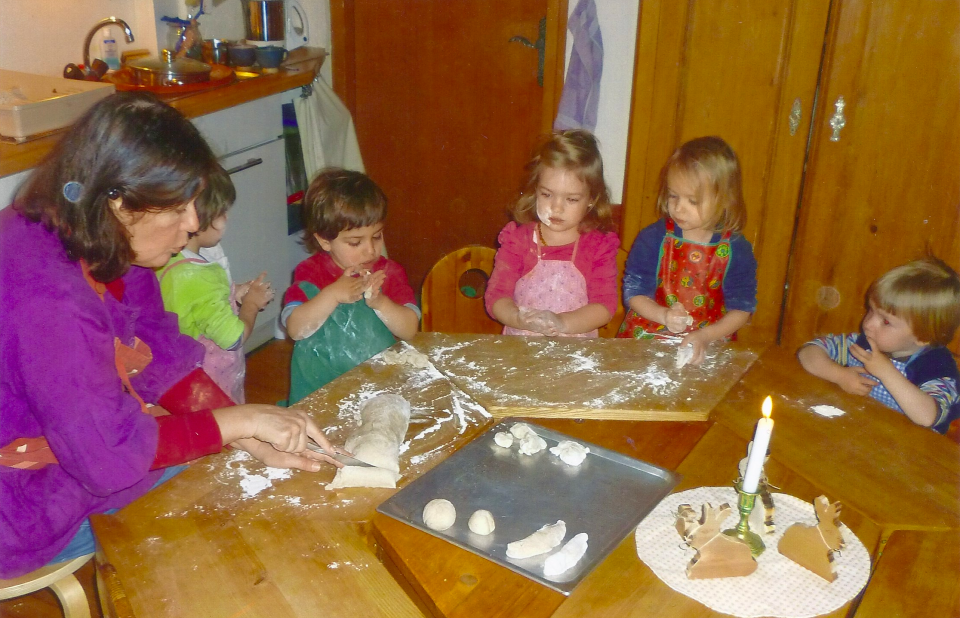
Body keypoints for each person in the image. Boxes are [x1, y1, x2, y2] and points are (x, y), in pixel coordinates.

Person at [0, 93, 342, 579]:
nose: (195, 224)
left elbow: (159, 350)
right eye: (179, 208)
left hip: (78, 438)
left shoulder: (99, 231)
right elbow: (108, 460)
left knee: (224, 459)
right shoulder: (49, 301)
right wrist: (237, 425)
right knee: (208, 506)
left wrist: (243, 433)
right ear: (118, 200)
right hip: (19, 503)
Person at [282, 169, 419, 405]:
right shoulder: (310, 273)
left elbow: (410, 329)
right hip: (318, 392)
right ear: (325, 240)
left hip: (375, 388)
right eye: (356, 242)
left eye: (376, 236)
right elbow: (296, 329)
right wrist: (333, 294)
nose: (370, 250)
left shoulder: (389, 273)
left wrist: (380, 303)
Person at [617, 136, 757, 365]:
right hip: (649, 334)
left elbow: (742, 308)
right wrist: (664, 315)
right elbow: (634, 292)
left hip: (709, 340)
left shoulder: (737, 249)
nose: (678, 208)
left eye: (693, 201)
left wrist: (705, 336)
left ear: (724, 200)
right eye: (674, 196)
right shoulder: (653, 238)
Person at [797, 257, 960, 433]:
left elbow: (927, 416)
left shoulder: (938, 366)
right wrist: (839, 375)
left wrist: (885, 370)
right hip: (864, 431)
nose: (868, 324)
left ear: (924, 336)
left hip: (911, 452)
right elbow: (808, 352)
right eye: (871, 310)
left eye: (886, 322)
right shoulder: (864, 343)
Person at [485, 130, 619, 337]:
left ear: (591, 199)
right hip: (521, 351)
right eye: (547, 194)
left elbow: (605, 305)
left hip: (575, 354)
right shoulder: (518, 240)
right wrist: (517, 318)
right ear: (535, 189)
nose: (556, 208)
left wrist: (562, 322)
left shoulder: (597, 246)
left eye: (571, 199)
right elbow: (496, 297)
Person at [158, 170, 274, 404]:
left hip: (176, 376)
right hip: (211, 383)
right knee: (225, 429)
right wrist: (250, 305)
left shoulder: (164, 259)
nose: (227, 219)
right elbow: (234, 338)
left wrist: (235, 291)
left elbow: (194, 303)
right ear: (198, 219)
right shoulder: (203, 276)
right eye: (222, 213)